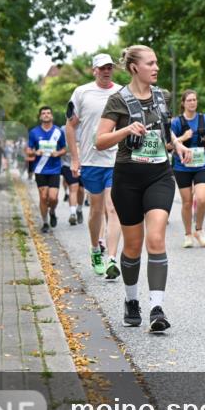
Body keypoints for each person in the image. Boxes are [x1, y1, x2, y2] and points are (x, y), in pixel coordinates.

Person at [95, 45, 191, 333]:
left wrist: (179, 144)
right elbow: (100, 141)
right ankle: (131, 299)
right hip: (127, 179)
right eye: (151, 63)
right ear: (135, 67)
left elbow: (164, 130)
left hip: (159, 175)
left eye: (157, 62)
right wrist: (126, 130)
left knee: (157, 238)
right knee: (133, 247)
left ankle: (156, 308)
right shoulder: (117, 100)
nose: (156, 67)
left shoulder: (163, 97)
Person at [66, 53, 123, 279]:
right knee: (96, 211)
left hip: (115, 160)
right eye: (101, 68)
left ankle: (111, 258)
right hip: (91, 160)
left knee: (113, 208)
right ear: (94, 71)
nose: (106, 71)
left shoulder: (120, 92)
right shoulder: (81, 92)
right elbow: (70, 126)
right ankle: (94, 249)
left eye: (109, 67)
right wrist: (74, 158)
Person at [170, 89, 205, 248]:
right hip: (182, 166)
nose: (192, 102)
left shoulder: (203, 118)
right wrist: (183, 138)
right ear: (183, 103)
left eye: (194, 99)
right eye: (189, 100)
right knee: (187, 202)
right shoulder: (176, 122)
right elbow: (169, 145)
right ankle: (188, 234)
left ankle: (199, 229)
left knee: (203, 198)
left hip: (201, 164)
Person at [25, 106, 67, 234]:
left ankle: (53, 212)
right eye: (43, 113)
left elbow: (64, 149)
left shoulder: (59, 132)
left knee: (53, 198)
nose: (46, 115)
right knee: (43, 197)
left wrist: (58, 153)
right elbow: (28, 150)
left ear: (52, 116)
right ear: (40, 117)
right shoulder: (34, 132)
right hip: (40, 169)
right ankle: (45, 222)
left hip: (54, 168)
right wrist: (35, 152)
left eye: (48, 113)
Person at [60, 124, 84, 226]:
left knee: (81, 190)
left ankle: (79, 209)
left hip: (84, 164)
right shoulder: (63, 129)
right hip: (68, 164)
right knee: (73, 187)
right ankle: (73, 214)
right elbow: (60, 146)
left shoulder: (85, 126)